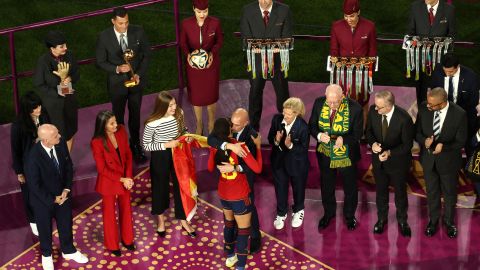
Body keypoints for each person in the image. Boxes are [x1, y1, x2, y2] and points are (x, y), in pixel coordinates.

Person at [25, 124, 88, 270]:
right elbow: (34, 186)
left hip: (63, 196)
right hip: (43, 201)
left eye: (58, 133)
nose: (60, 136)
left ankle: (68, 250)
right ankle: (46, 255)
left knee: (66, 224)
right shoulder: (32, 157)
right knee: (45, 229)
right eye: (55, 136)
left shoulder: (60, 144)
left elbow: (68, 167)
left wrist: (66, 189)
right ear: (45, 141)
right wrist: (53, 199)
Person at [96, 7, 150, 162]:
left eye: (126, 22)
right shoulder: (104, 37)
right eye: (121, 23)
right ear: (113, 21)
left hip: (136, 83)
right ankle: (121, 147)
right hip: (117, 85)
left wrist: (138, 73)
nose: (124, 26)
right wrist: (117, 68)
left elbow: (146, 55)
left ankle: (135, 145)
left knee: (135, 115)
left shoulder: (138, 31)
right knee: (118, 118)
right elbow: (100, 62)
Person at [207, 117, 262, 270]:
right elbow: (257, 169)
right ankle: (241, 267)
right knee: (244, 232)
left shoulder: (214, 145)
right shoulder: (239, 147)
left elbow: (210, 168)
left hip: (223, 194)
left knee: (229, 224)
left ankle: (230, 256)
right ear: (230, 130)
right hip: (239, 195)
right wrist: (257, 147)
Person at [308, 84, 363, 230]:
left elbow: (358, 133)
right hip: (325, 153)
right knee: (327, 185)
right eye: (329, 101)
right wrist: (319, 135)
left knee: (350, 187)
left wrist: (344, 140)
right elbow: (312, 125)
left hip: (347, 155)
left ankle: (350, 216)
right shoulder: (319, 102)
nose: (332, 105)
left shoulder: (355, 108)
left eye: (336, 102)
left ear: (342, 96)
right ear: (325, 97)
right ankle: (328, 213)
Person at [142, 92, 196, 238]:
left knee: (181, 185)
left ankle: (183, 219)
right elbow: (147, 145)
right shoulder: (152, 123)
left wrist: (187, 136)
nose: (174, 107)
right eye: (170, 105)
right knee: (160, 186)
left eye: (174, 104)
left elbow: (183, 130)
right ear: (162, 107)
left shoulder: (179, 113)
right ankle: (160, 219)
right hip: (161, 156)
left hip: (178, 152)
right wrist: (166, 144)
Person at [416, 87, 467, 238]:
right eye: (428, 103)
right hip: (428, 160)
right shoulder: (424, 108)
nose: (428, 106)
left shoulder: (459, 114)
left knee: (449, 193)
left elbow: (461, 141)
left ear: (442, 103)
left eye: (432, 105)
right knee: (432, 192)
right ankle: (433, 220)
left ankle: (449, 222)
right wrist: (424, 141)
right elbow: (417, 132)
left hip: (449, 162)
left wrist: (444, 146)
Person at [365, 90, 414, 237]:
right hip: (378, 162)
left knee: (400, 193)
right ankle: (381, 219)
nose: (375, 109)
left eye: (379, 107)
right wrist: (372, 144)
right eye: (375, 105)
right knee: (381, 193)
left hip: (398, 163)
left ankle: (402, 221)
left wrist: (390, 153)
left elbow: (407, 145)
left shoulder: (404, 118)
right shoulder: (374, 112)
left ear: (389, 106)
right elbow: (368, 132)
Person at [240, 0, 293, 131]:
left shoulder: (284, 10)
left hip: (277, 61)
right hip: (257, 61)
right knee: (255, 94)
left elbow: (287, 36)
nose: (264, 1)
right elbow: (245, 36)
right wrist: (254, 47)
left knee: (282, 94)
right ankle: (253, 130)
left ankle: (286, 126)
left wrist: (277, 47)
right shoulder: (248, 10)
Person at [91, 110, 135, 256]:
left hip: (125, 179)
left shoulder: (121, 131)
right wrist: (122, 179)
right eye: (112, 123)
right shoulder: (97, 142)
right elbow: (102, 169)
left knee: (126, 209)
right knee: (109, 214)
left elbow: (128, 154)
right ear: (104, 126)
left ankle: (128, 240)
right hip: (110, 181)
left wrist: (128, 177)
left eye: (116, 121)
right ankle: (112, 245)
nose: (116, 125)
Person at [180, 0, 223, 134]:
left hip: (210, 65)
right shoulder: (186, 24)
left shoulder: (215, 23)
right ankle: (199, 124)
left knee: (211, 96)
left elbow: (219, 41)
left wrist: (211, 53)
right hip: (194, 68)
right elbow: (183, 43)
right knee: (196, 98)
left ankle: (211, 123)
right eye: (199, 12)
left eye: (205, 11)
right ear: (193, 9)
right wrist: (188, 55)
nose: (202, 14)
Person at [10, 91, 50, 236]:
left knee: (45, 187)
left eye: (39, 105)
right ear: (27, 109)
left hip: (45, 162)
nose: (39, 109)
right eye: (35, 107)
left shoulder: (44, 115)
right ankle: (33, 221)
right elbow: (15, 150)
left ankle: (45, 213)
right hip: (28, 166)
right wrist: (19, 172)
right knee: (29, 195)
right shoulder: (18, 125)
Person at [33, 30, 79, 153]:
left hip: (69, 101)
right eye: (62, 46)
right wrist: (57, 93)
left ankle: (67, 160)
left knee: (69, 132)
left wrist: (70, 78)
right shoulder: (43, 62)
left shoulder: (70, 55)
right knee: (55, 135)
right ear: (52, 48)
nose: (66, 48)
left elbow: (77, 74)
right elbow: (39, 84)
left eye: (65, 45)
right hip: (53, 107)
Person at [267, 97, 309, 230]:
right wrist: (276, 139)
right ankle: (281, 213)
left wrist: (290, 145)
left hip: (297, 164)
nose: (284, 116)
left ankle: (298, 211)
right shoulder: (276, 119)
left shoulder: (303, 127)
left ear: (296, 113)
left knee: (298, 188)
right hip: (278, 162)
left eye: (288, 114)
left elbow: (303, 149)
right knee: (280, 188)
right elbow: (270, 138)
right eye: (284, 112)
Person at [430, 53, 479, 157]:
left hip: (465, 117)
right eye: (445, 71)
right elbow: (434, 92)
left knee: (469, 149)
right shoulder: (437, 72)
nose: (447, 74)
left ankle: (469, 170)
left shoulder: (471, 77)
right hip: (442, 116)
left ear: (458, 66)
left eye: (451, 71)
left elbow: (473, 102)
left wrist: (456, 114)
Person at [407, 0, 456, 104]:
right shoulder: (415, 7)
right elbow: (410, 32)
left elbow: (452, 35)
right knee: (421, 91)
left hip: (440, 59)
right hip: (420, 59)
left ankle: (440, 114)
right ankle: (422, 115)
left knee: (440, 90)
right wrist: (413, 42)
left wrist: (446, 58)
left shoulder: (449, 9)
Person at [330, 0, 377, 106]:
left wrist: (369, 71)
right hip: (343, 72)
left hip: (363, 72)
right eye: (346, 16)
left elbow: (372, 51)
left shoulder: (370, 26)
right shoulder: (336, 26)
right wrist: (337, 66)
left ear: (358, 12)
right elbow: (334, 50)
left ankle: (363, 122)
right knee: (341, 100)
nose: (348, 19)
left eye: (352, 16)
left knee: (363, 101)